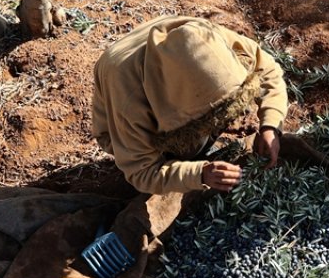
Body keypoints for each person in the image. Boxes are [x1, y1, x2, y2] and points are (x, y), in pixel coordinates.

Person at [92, 15, 290, 194]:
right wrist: (198, 174)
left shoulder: (204, 38)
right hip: (117, 125)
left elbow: (268, 70)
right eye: (209, 116)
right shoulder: (129, 100)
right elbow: (141, 172)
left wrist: (270, 125)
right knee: (185, 152)